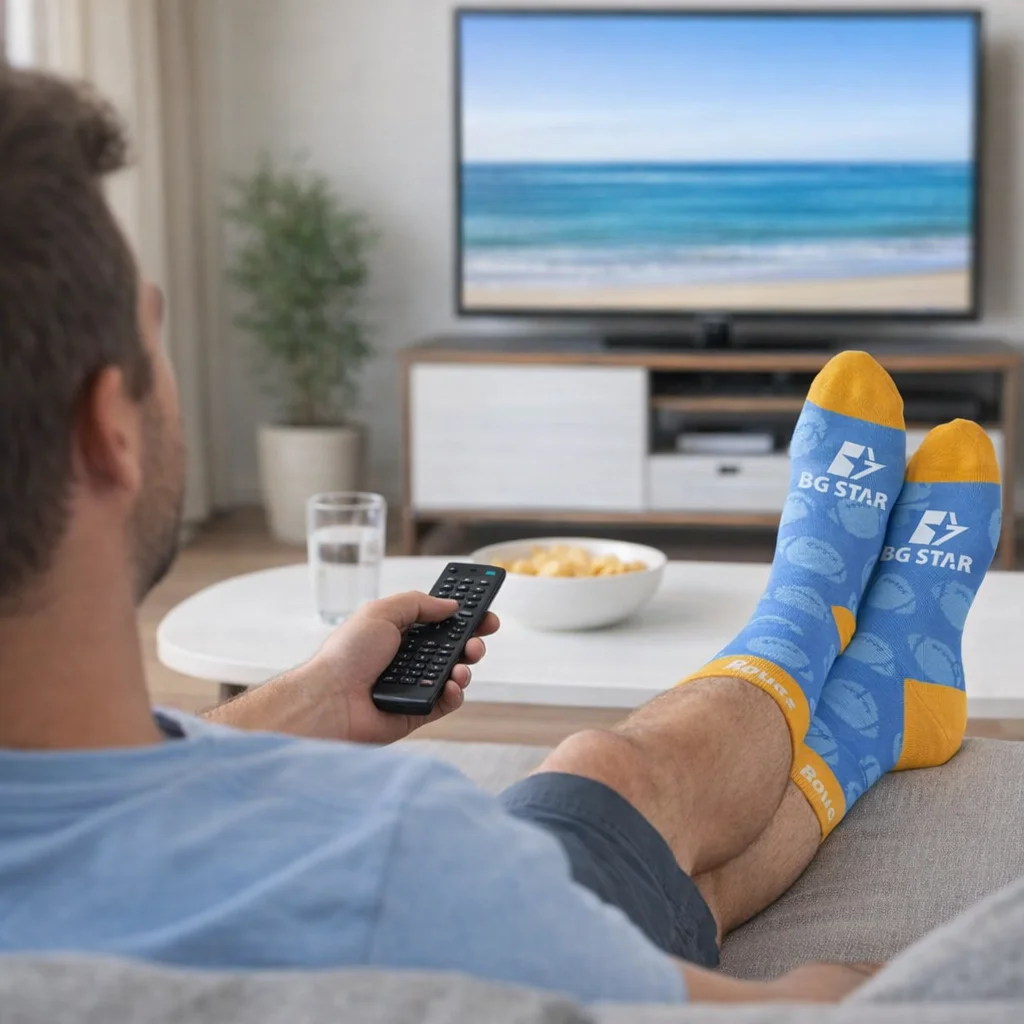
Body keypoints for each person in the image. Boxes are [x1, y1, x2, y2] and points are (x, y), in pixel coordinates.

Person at [0, 67, 1001, 1006]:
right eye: (154, 329)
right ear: (111, 430)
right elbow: (777, 1008)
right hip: (503, 934)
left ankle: (868, 695)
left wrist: (313, 697)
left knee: (651, 853)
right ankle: (816, 627)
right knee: (605, 769)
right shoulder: (403, 871)